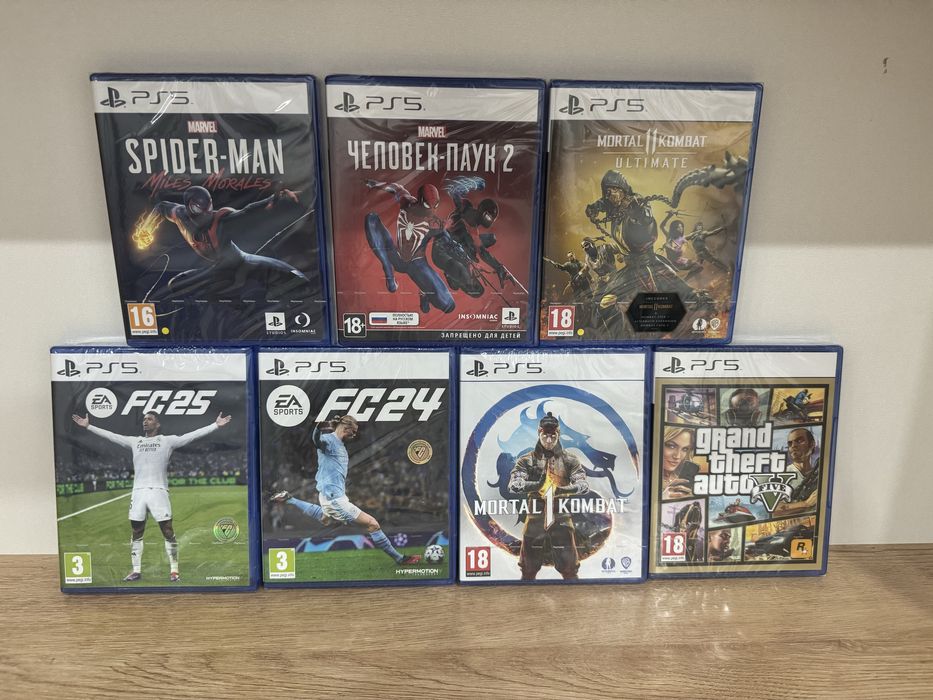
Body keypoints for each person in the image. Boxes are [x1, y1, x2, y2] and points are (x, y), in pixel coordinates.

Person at [72, 410, 231, 582]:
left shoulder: (167, 441)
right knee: (136, 531)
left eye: (149, 419)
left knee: (167, 530)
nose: (145, 421)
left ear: (157, 424)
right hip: (138, 492)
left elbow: (191, 436)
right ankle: (136, 570)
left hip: (158, 491)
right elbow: (112, 436)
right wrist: (89, 426)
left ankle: (174, 570)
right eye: (144, 419)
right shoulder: (135, 442)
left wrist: (215, 425)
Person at [270, 416, 421, 566]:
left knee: (324, 518)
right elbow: (317, 441)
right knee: (373, 524)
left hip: (330, 495)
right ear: (346, 428)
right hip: (334, 498)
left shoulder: (340, 445)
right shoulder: (329, 440)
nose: (354, 435)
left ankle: (289, 499)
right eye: (353, 431)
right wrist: (318, 428)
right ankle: (400, 559)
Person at [147, 185, 309, 297]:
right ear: (189, 207)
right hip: (218, 268)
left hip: (236, 262)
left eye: (208, 207)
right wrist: (146, 228)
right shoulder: (179, 215)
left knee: (292, 277)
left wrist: (274, 200)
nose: (205, 214)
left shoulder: (221, 221)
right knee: (177, 285)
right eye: (198, 209)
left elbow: (247, 211)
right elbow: (161, 207)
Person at [508, 412, 589, 580]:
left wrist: (562, 490)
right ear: (539, 432)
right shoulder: (527, 460)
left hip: (562, 519)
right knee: (528, 571)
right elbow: (514, 485)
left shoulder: (570, 460)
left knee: (570, 571)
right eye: (546, 435)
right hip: (535, 519)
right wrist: (536, 485)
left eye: (553, 436)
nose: (549, 440)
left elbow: (583, 485)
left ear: (558, 434)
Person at [363, 180, 454, 313]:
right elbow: (396, 187)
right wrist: (376, 184)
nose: (431, 209)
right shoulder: (407, 201)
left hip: (417, 264)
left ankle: (424, 292)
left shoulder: (435, 223)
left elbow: (446, 237)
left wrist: (447, 238)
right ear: (420, 201)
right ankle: (388, 269)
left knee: (448, 305)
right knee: (371, 219)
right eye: (428, 205)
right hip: (396, 257)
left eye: (435, 205)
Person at [774, 428, 820, 516]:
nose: (793, 446)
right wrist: (806, 504)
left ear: (812, 444)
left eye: (799, 441)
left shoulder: (818, 474)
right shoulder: (784, 475)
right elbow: (774, 508)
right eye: (790, 443)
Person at [660, 427, 699, 500]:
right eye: (671, 446)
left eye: (685, 449)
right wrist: (663, 497)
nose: (677, 456)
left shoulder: (684, 479)